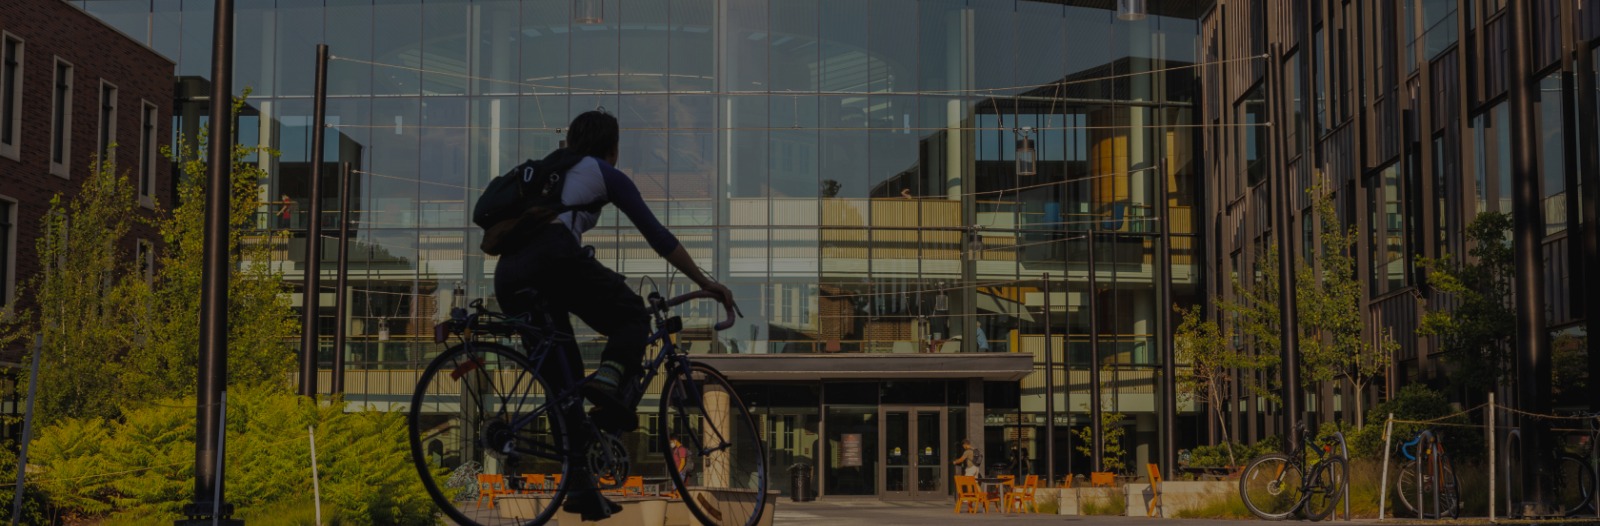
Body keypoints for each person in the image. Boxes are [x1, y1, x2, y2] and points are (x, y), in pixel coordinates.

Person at [492, 110, 733, 520]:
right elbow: (657, 236)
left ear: (569, 139)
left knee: (561, 386)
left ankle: (582, 489)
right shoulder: (603, 171)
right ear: (613, 148)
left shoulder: (548, 170)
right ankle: (607, 385)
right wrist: (705, 281)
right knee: (631, 314)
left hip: (508, 275)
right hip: (552, 258)